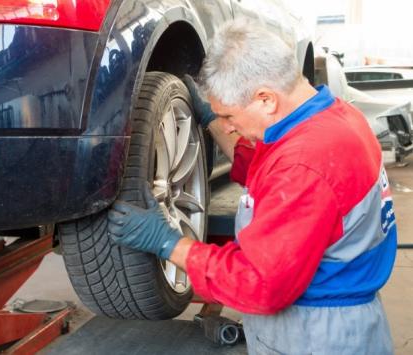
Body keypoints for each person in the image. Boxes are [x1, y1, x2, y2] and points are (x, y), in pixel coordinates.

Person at [107, 19, 396, 354]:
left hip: (318, 335)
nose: (228, 128)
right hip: (332, 322)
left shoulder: (305, 164)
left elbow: (260, 284)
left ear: (265, 99)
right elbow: (268, 167)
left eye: (229, 116)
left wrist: (169, 244)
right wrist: (211, 119)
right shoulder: (335, 117)